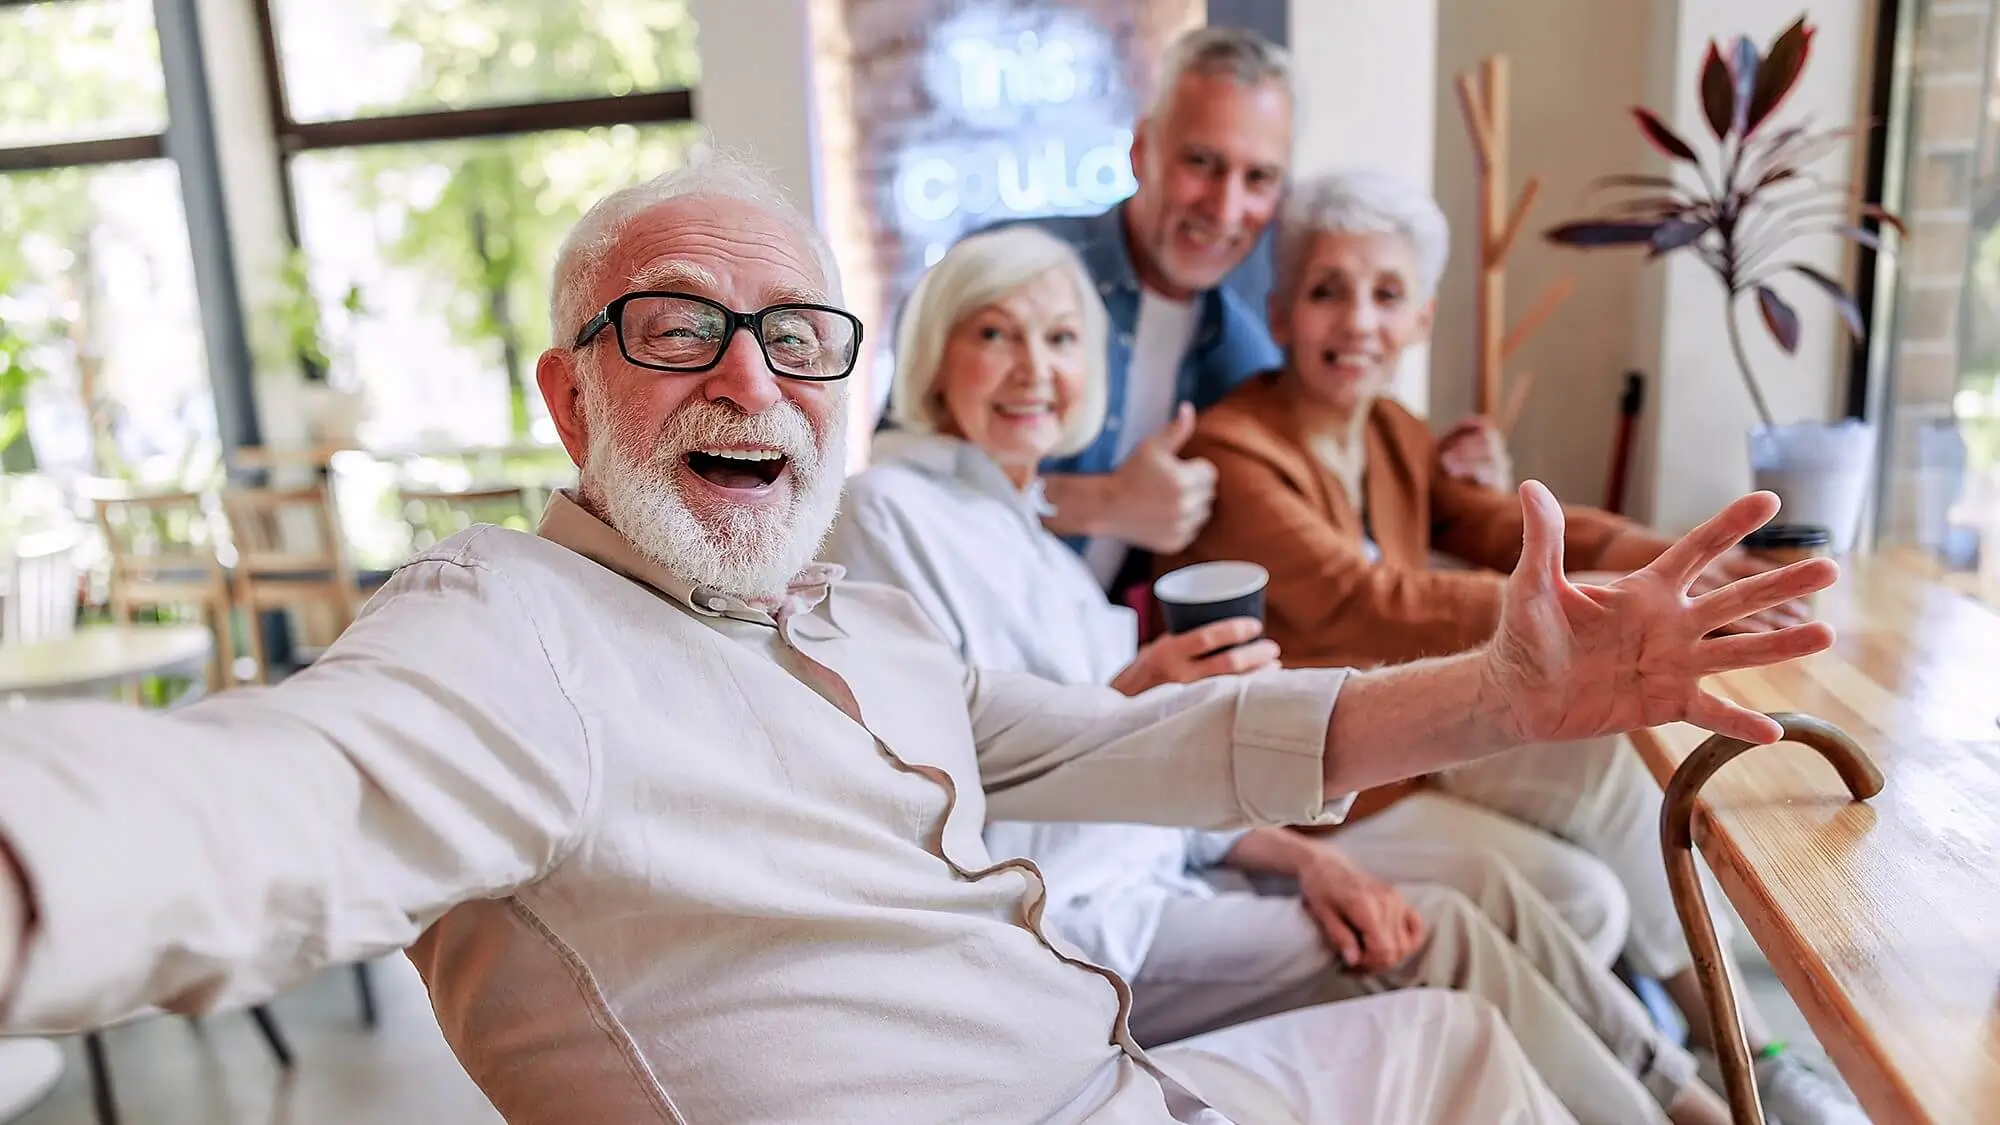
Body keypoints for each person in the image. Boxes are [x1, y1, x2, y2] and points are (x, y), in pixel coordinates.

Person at [0, 158, 1835, 1125]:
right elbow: (255, 804)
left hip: (1125, 1078)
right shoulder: (507, 634)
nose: (750, 376)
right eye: (675, 329)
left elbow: (1156, 747)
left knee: (1450, 1048)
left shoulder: (855, 620)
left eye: (800, 338)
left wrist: (1510, 692)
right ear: (569, 401)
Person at [827, 225, 1735, 1125]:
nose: (1034, 367)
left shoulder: (1040, 542)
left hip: (1179, 861)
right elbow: (941, 789)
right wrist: (1127, 703)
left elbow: (1153, 791)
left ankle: (1707, 1088)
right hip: (1080, 923)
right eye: (994, 333)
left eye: (1061, 338)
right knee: (1440, 933)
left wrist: (1305, 860)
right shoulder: (888, 513)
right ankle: (1691, 1110)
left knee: (1503, 881)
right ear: (933, 354)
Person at [1159, 167, 1867, 1125]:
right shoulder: (1238, 453)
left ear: (1420, 319)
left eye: (1386, 294)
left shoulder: (1390, 434)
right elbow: (1379, 602)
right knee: (1581, 895)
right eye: (1327, 291)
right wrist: (1608, 609)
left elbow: (1506, 525)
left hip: (1420, 745)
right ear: (1281, 313)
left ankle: (1748, 1047)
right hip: (1332, 777)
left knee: (1622, 775)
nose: (1357, 319)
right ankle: (1678, 1077)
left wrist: (1681, 568)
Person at [1010, 26, 1503, 596]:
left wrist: (1459, 479)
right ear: (1141, 150)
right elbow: (900, 476)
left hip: (1100, 665)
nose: (1226, 208)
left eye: (1259, 178)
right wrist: (1100, 502)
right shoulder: (1020, 273)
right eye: (1201, 162)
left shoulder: (1245, 353)